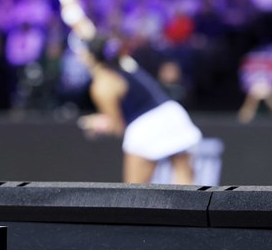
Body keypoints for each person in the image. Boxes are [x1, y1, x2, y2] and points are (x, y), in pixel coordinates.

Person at [75, 34, 203, 185]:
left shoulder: (102, 85)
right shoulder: (125, 63)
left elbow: (117, 127)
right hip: (173, 115)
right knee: (186, 184)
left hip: (145, 127)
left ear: (89, 57)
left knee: (134, 195)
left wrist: (95, 123)